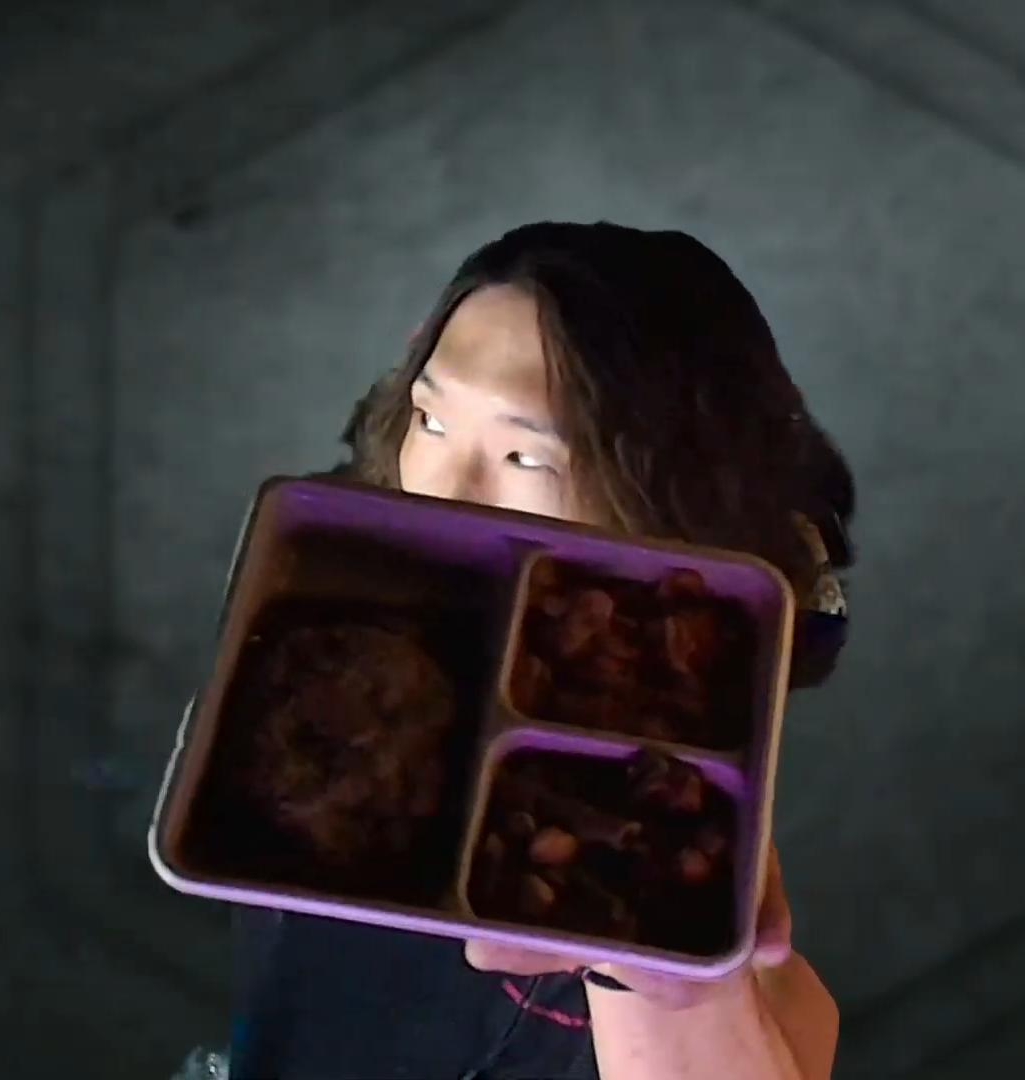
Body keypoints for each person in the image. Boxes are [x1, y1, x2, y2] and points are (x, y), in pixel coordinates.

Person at [229, 221, 854, 1079]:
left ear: (665, 489)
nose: (444, 490)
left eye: (525, 454)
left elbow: (786, 1020)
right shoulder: (330, 615)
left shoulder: (673, 800)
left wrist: (665, 987)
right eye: (431, 419)